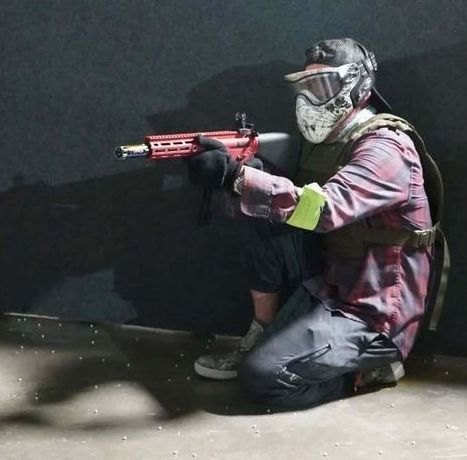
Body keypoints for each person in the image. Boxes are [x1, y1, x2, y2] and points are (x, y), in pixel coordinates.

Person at [185, 38, 437, 408]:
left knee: (265, 378)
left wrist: (239, 178)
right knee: (259, 214)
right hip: (330, 282)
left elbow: (325, 209)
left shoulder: (386, 147)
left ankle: (367, 370)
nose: (309, 98)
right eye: (304, 86)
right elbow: (294, 202)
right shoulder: (330, 140)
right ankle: (263, 331)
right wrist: (253, 177)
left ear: (357, 85)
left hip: (373, 310)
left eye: (321, 85)